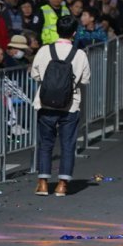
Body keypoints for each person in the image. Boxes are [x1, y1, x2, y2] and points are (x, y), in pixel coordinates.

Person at [31, 15, 90, 197]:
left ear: (57, 30)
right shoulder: (79, 54)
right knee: (67, 144)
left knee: (45, 144)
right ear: (74, 33)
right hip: (70, 106)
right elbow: (85, 80)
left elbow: (35, 75)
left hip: (45, 103)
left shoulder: (44, 50)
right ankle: (62, 185)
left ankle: (42, 183)